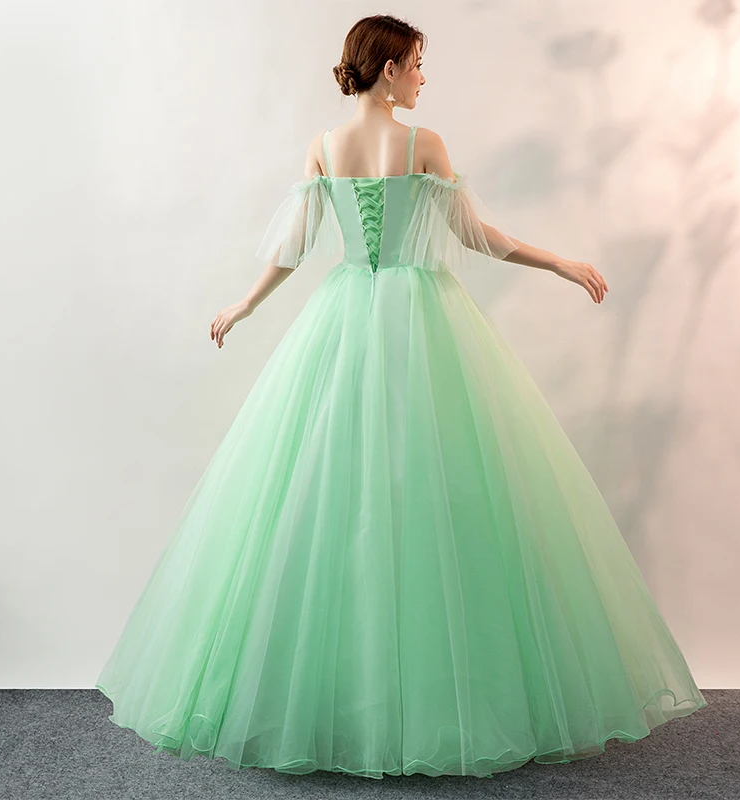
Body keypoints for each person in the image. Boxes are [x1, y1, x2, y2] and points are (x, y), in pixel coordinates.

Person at [96, 13, 707, 780]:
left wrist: (246, 305)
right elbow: (477, 236)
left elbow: (294, 248)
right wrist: (558, 262)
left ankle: (343, 706)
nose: (423, 77)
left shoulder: (325, 148)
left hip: (345, 316)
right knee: (428, 496)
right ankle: (425, 704)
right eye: (416, 63)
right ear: (387, 69)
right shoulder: (424, 145)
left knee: (335, 500)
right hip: (422, 322)